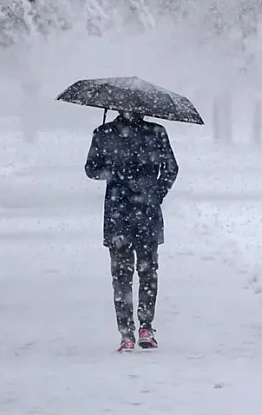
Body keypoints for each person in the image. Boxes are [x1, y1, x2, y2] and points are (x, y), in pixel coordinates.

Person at [85, 110, 179, 352]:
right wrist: (156, 193)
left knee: (121, 275)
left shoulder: (104, 133)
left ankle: (126, 333)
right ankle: (146, 326)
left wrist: (111, 170)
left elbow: (91, 169)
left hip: (118, 212)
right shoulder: (156, 132)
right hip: (146, 211)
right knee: (147, 271)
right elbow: (171, 168)